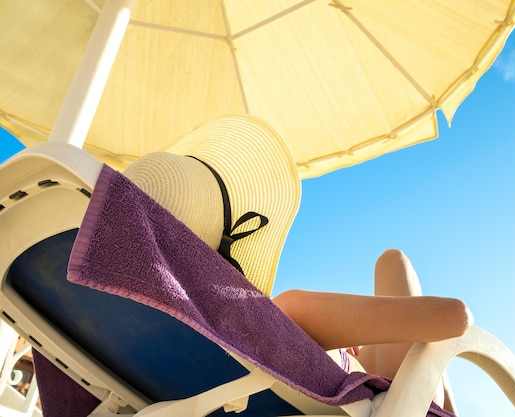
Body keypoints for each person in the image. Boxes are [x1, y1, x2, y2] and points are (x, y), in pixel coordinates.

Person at [123, 114, 472, 416]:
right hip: (403, 403)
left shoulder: (127, 333)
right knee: (393, 261)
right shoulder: (291, 311)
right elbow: (455, 319)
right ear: (232, 244)